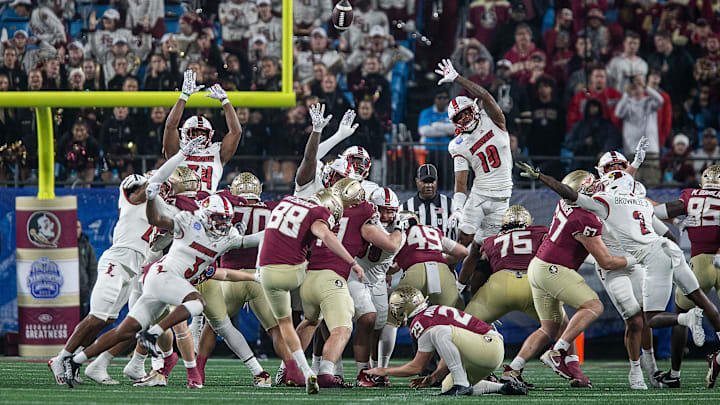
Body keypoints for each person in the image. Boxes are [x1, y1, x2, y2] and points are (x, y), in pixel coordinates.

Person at [62, 144, 257, 389]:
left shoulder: (212, 229)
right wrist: (173, 170)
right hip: (152, 270)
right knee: (190, 309)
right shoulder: (182, 216)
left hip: (149, 271)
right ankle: (172, 367)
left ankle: (80, 360)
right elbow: (159, 213)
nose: (191, 191)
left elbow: (241, 243)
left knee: (128, 328)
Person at [518, 162, 720, 386]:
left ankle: (653, 366)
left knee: (647, 316)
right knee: (635, 318)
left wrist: (542, 177)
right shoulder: (614, 203)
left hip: (635, 260)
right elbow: (654, 230)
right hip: (620, 263)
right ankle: (637, 370)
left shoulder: (609, 202)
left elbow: (575, 195)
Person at [47, 168, 164, 385]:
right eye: (141, 188)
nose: (143, 191)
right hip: (117, 263)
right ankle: (61, 358)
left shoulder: (156, 206)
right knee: (98, 316)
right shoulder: (132, 200)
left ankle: (74, 359)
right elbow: (141, 189)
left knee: (109, 319)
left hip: (134, 268)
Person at [297, 179, 402, 387]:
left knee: (316, 320)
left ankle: (293, 368)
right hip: (350, 275)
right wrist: (401, 230)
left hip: (367, 276)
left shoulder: (335, 212)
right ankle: (345, 371)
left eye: (391, 211)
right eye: (383, 210)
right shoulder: (366, 217)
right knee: (351, 323)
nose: (387, 216)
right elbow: (390, 245)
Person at [258, 189, 363, 394]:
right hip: (296, 273)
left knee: (294, 323)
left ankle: (290, 369)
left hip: (267, 272)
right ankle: (325, 371)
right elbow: (326, 235)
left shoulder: (286, 200)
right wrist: (353, 262)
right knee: (342, 327)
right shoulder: (318, 213)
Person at [364, 287, 527, 396]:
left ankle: (462, 384)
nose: (395, 311)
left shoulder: (422, 321)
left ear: (406, 307)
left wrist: (384, 371)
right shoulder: (430, 314)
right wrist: (433, 377)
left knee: (440, 331)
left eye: (398, 307)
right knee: (447, 386)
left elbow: (417, 366)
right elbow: (447, 355)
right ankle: (504, 388)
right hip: (487, 349)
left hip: (488, 345)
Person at [652, 166, 720, 388]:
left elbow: (659, 212)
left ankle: (674, 374)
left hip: (699, 263)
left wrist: (678, 221)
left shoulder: (692, 195)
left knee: (681, 316)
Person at [435, 58, 513, 249]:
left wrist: (458, 79)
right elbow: (460, 182)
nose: (464, 118)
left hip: (502, 195)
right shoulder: (458, 145)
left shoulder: (493, 120)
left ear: (474, 109)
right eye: (458, 117)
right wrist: (458, 210)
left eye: (466, 112)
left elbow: (485, 96)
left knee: (486, 248)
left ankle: (466, 280)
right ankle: (449, 276)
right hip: (479, 196)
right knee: (463, 241)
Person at [162, 70, 242, 192]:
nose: (199, 136)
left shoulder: (217, 152)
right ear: (185, 133)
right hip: (179, 202)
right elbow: (170, 126)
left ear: (210, 135)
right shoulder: (177, 149)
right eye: (194, 133)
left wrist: (225, 101)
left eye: (202, 133)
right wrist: (183, 96)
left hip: (207, 205)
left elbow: (236, 132)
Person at [614, 75, 664, 184]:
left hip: (650, 149)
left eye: (638, 86)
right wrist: (626, 94)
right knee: (632, 186)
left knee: (652, 183)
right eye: (633, 87)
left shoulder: (650, 102)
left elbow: (660, 100)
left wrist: (645, 86)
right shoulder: (626, 103)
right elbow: (618, 113)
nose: (636, 89)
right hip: (631, 150)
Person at [401, 164, 454, 238]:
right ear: (417, 181)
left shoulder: (450, 205)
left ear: (437, 181)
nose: (428, 185)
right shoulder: (405, 207)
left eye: (431, 181)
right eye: (424, 181)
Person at [77, 220, 97, 319]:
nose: (76, 230)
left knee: (83, 319)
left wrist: (89, 288)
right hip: (66, 290)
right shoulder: (63, 246)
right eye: (73, 228)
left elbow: (93, 269)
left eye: (78, 227)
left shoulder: (87, 246)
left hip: (82, 290)